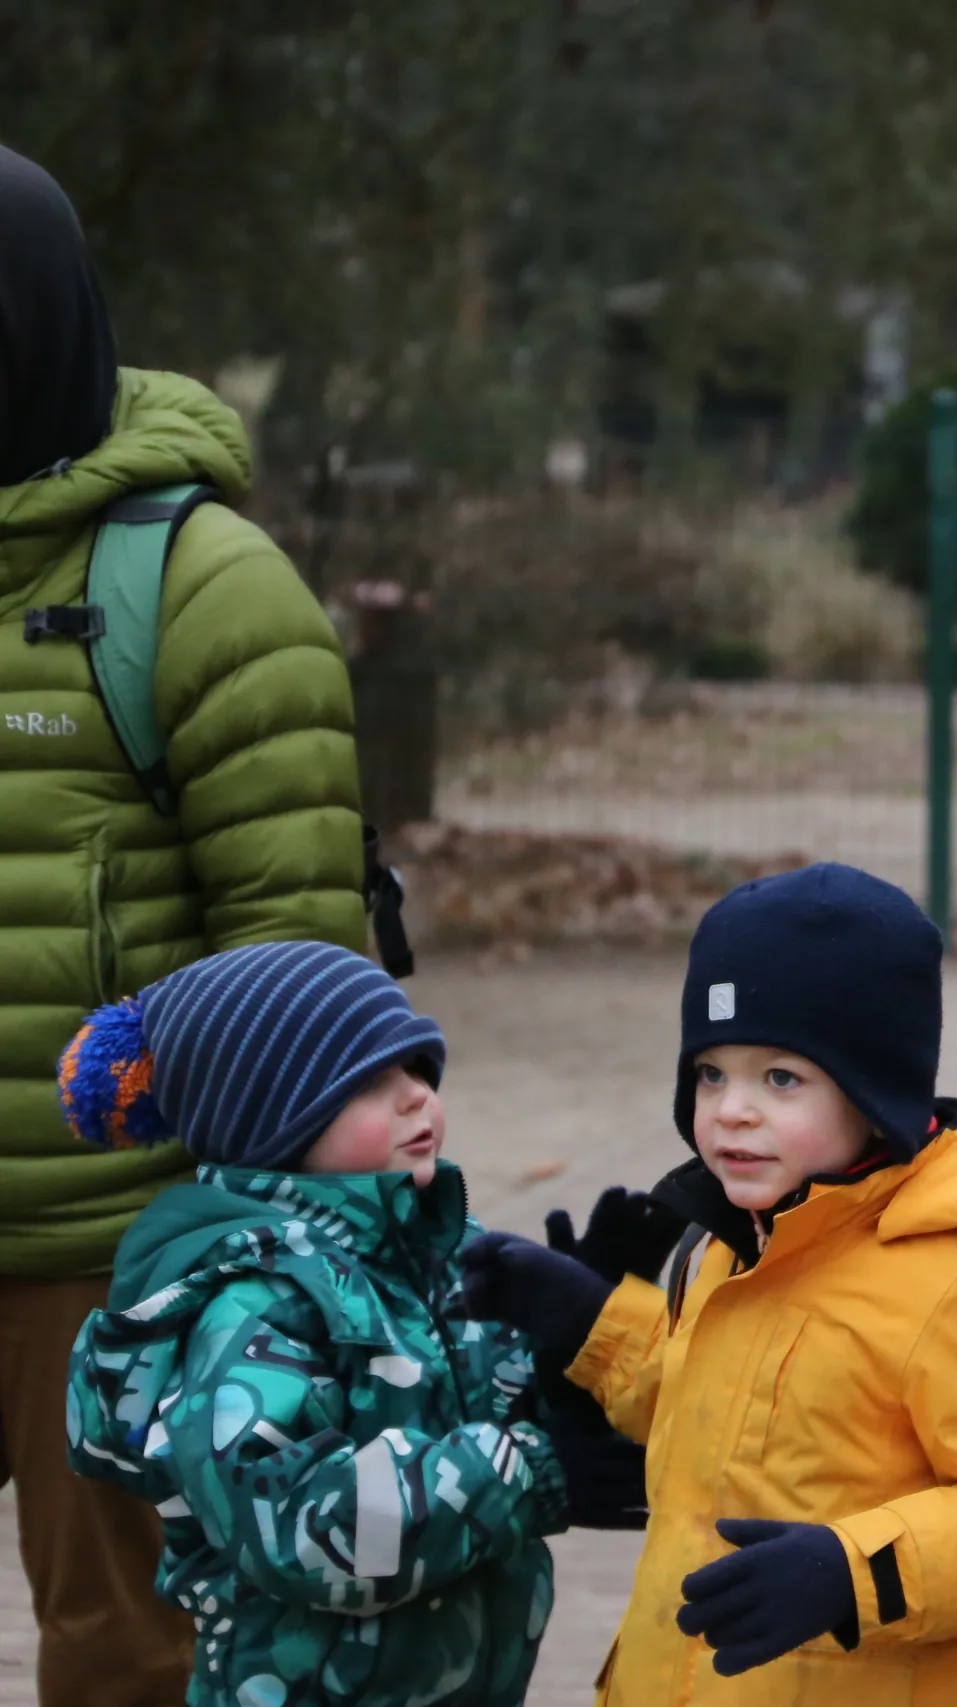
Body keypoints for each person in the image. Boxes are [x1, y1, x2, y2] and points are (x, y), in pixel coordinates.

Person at [0, 146, 366, 1707]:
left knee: (133, 1652)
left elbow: (300, 971)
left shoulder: (199, 584)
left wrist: (284, 1265)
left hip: (109, 1248)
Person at [459, 863, 957, 1705]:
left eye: (781, 1078)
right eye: (711, 1073)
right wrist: (592, 1320)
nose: (732, 1110)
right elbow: (722, 1417)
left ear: (874, 1093)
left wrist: (854, 1573)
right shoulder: (736, 1239)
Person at [57, 941, 568, 1707]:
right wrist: (525, 1468)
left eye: (417, 1067)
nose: (416, 1097)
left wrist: (590, 1341)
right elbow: (304, 1530)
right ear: (271, 1123)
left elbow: (507, 1394)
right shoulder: (250, 1300)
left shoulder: (439, 1250)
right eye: (369, 1082)